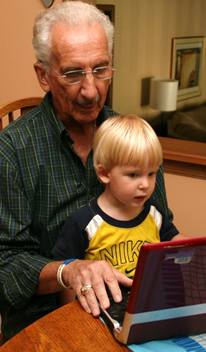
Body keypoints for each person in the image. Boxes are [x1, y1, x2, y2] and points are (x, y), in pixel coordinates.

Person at [0, 1, 174, 339]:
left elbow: (160, 225)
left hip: (130, 310)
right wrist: (67, 271)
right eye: (73, 73)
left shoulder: (134, 142)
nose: (91, 90)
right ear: (43, 76)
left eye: (101, 70)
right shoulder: (10, 154)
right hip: (44, 321)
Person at [53, 114, 188, 305]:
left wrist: (203, 249)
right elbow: (69, 278)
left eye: (151, 173)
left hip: (149, 300)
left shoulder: (153, 212)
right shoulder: (83, 222)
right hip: (103, 308)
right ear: (104, 173)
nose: (145, 184)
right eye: (133, 174)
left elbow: (173, 239)